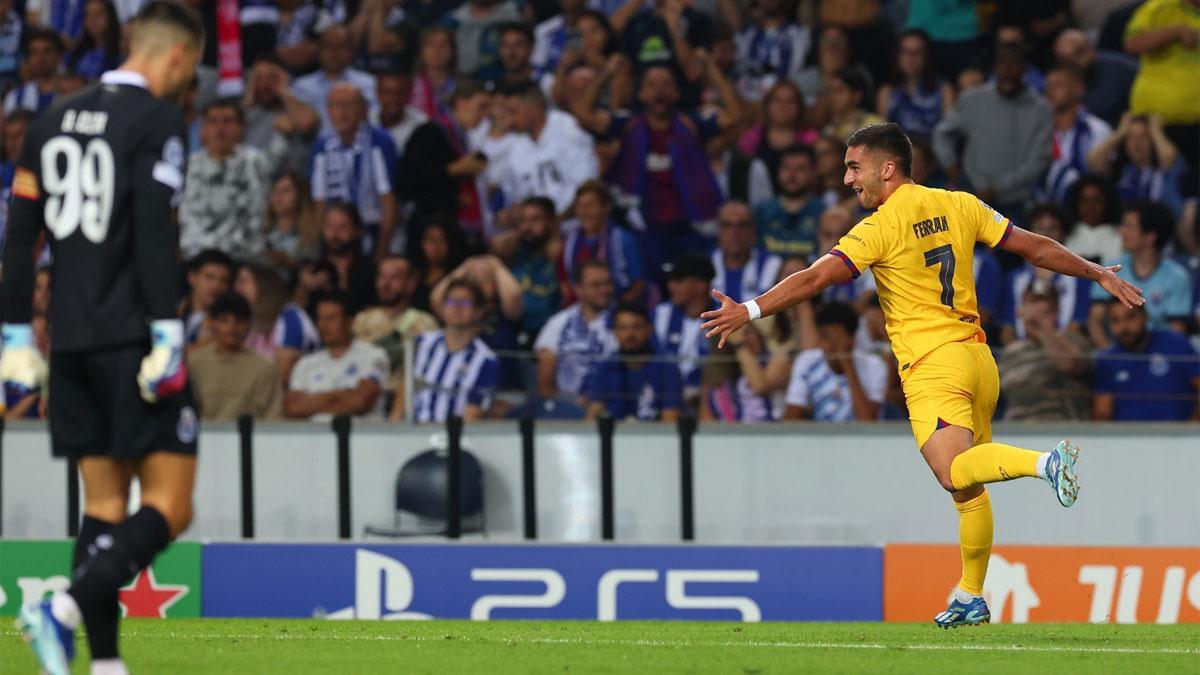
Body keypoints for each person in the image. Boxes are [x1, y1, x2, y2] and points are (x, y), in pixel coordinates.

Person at [700, 122, 1145, 628]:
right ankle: (971, 595)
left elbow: (818, 276)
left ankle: (1045, 463)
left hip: (934, 365)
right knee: (969, 487)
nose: (847, 180)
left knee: (951, 471)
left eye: (854, 167)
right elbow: (1032, 247)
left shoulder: (880, 226)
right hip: (979, 360)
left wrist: (751, 310)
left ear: (887, 169)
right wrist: (1097, 271)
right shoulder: (959, 204)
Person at [2, 4, 205, 673]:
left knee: (105, 507)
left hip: (71, 338)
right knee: (171, 506)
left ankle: (106, 664)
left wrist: (12, 333)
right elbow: (153, 228)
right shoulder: (157, 120)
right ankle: (61, 609)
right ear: (176, 54)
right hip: (132, 333)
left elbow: (19, 236)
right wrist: (168, 329)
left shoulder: (50, 118)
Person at [932, 42, 1052, 218]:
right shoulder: (973, 99)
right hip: (972, 197)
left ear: (1025, 69)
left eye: (1014, 64)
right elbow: (942, 134)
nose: (1008, 70)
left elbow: (1038, 160)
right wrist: (950, 166)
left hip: (1017, 204)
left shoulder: (1041, 109)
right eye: (1002, 64)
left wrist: (997, 189)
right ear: (995, 67)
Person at [178, 98, 277, 261]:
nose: (220, 128)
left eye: (227, 121)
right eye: (212, 122)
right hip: (196, 259)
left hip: (246, 259)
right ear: (202, 130)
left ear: (241, 128)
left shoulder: (259, 162)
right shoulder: (185, 167)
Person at [310, 82, 399, 260]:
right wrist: (321, 250)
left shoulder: (381, 142)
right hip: (336, 235)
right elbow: (320, 202)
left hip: (374, 230)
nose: (342, 112)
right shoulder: (321, 146)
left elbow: (389, 202)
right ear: (328, 111)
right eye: (336, 105)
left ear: (364, 109)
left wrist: (381, 252)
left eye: (349, 105)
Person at [398, 80, 491, 246]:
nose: (484, 116)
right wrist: (454, 170)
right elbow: (408, 178)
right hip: (429, 233)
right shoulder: (429, 132)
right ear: (461, 102)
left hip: (454, 231)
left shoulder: (467, 138)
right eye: (481, 106)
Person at [1088, 200, 1193, 347]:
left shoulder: (1177, 277)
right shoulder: (1110, 269)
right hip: (1118, 351)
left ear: (1150, 236)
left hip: (1160, 358)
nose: (1122, 232)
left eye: (1129, 226)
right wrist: (1113, 357)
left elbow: (1177, 331)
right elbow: (1095, 321)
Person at [351, 255, 439, 419]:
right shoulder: (361, 319)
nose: (386, 284)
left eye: (395, 277)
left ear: (411, 283)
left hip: (401, 400)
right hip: (361, 396)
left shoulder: (424, 323)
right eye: (382, 276)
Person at [284, 290, 390, 420]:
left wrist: (312, 401)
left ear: (349, 321)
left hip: (362, 437)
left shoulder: (374, 356)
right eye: (320, 318)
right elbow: (292, 408)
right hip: (316, 438)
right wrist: (342, 394)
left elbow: (360, 401)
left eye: (331, 318)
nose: (323, 326)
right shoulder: (305, 363)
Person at [494, 81, 598, 214]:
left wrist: (558, 223)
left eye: (514, 112)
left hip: (577, 223)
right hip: (538, 229)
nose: (510, 120)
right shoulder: (516, 145)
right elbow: (517, 198)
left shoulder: (568, 130)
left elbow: (588, 187)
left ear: (534, 108)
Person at [999, 204, 1092, 346]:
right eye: (1040, 228)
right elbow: (1007, 330)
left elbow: (1077, 325)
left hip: (1064, 354)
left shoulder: (1080, 276)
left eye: (1053, 229)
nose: (1046, 235)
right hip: (1024, 353)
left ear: (1063, 233)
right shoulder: (1014, 278)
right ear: (1029, 232)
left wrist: (1052, 348)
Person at [410, 278, 500, 423]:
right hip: (413, 433)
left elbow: (474, 413)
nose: (457, 307)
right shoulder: (422, 343)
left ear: (478, 312)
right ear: (443, 308)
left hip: (455, 437)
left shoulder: (486, 360)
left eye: (465, 302)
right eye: (451, 301)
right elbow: (404, 391)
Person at [1094, 300, 1200, 421]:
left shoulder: (1175, 343)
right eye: (1115, 320)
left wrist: (1193, 426)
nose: (1124, 327)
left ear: (1145, 316)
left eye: (1130, 317)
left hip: (1178, 435)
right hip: (1126, 436)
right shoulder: (1108, 359)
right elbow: (1102, 413)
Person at [997, 287, 1091, 422]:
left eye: (1046, 312)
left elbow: (1068, 365)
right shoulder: (1011, 352)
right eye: (1031, 308)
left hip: (1062, 430)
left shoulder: (1075, 343)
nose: (1036, 316)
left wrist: (1042, 327)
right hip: (1017, 432)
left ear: (1057, 313)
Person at [783, 301, 887, 421]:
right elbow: (791, 418)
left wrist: (847, 364)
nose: (829, 346)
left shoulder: (874, 365)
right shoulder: (806, 362)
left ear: (851, 339)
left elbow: (868, 421)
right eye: (825, 338)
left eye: (837, 339)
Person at [186, 292, 283, 421]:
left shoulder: (266, 368)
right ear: (213, 323)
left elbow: (273, 419)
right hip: (202, 438)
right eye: (224, 320)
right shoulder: (193, 364)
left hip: (251, 439)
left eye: (239, 321)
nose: (231, 328)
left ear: (249, 324)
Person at [586, 301, 683, 422]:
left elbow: (670, 418)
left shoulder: (667, 367)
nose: (629, 335)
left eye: (636, 327)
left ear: (650, 329)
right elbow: (594, 414)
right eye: (622, 328)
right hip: (612, 436)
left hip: (654, 437)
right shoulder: (606, 367)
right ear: (614, 332)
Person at [535, 259, 616, 402]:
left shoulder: (625, 323)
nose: (604, 290)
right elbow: (544, 384)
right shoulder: (558, 324)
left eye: (608, 283)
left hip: (611, 406)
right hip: (567, 411)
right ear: (578, 289)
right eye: (596, 285)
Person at [559, 179, 645, 304]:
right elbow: (567, 284)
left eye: (591, 205)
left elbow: (639, 284)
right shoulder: (569, 243)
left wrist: (618, 310)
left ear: (606, 207)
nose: (585, 211)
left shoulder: (623, 239)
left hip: (616, 308)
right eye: (580, 206)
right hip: (582, 310)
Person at [233, 263, 319, 385]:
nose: (236, 288)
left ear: (264, 285)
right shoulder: (250, 322)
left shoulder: (290, 317)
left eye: (243, 282)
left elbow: (282, 373)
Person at [1086, 113, 1185, 218]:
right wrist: (1119, 133)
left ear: (1153, 140)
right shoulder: (1121, 169)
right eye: (1130, 137)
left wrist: (1156, 131)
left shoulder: (1164, 166)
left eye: (1143, 137)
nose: (1136, 144)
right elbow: (1093, 161)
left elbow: (1170, 159)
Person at [1038, 66, 1112, 205]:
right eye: (1048, 86)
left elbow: (1102, 173)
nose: (1050, 91)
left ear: (1078, 89)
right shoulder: (1037, 130)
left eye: (1058, 85)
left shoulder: (1098, 129)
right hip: (1043, 207)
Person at [292, 25, 379, 135]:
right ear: (319, 49)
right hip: (312, 148)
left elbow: (375, 122)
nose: (334, 53)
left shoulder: (369, 83)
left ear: (352, 50)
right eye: (328, 46)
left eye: (341, 46)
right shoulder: (301, 86)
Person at [654, 251, 717, 401]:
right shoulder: (660, 315)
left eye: (679, 280)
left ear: (701, 285)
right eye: (670, 280)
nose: (670, 286)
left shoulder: (723, 316)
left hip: (708, 400)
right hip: (665, 399)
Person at [876, 29, 954, 141]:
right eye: (905, 51)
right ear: (897, 56)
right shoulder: (886, 91)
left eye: (918, 52)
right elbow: (883, 137)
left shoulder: (944, 88)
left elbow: (949, 133)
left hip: (933, 153)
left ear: (927, 56)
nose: (911, 57)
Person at [1052, 27, 1137, 128]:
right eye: (1065, 60)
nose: (1073, 63)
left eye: (1078, 54)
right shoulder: (1056, 83)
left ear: (1091, 49)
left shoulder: (1125, 70)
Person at [753, 145, 826, 259]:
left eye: (800, 169)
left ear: (813, 172)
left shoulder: (824, 212)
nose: (792, 175)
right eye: (786, 168)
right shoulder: (761, 212)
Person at [710, 201, 781, 304]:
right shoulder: (705, 265)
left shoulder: (773, 264)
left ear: (753, 230)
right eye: (727, 225)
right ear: (719, 230)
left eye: (741, 225)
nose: (734, 232)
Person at [262, 172, 320, 271]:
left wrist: (286, 260)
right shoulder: (261, 234)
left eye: (285, 191)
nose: (277, 197)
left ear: (300, 195)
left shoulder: (310, 237)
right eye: (274, 191)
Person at [1064, 174, 1123, 264]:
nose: (1089, 207)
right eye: (1084, 200)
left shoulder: (1121, 236)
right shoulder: (1067, 236)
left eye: (1096, 200)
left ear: (1108, 202)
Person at [2, 27, 62, 114]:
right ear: (27, 58)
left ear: (59, 55)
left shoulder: (71, 93)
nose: (40, 59)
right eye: (34, 53)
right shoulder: (14, 98)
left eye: (47, 52)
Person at [182, 249, 235, 348]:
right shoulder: (173, 311)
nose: (216, 286)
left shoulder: (232, 325)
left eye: (223, 281)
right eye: (209, 277)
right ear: (192, 277)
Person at [66, 0, 120, 80]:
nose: (93, 19)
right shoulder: (78, 53)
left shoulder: (121, 51)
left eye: (99, 14)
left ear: (110, 16)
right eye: (88, 15)